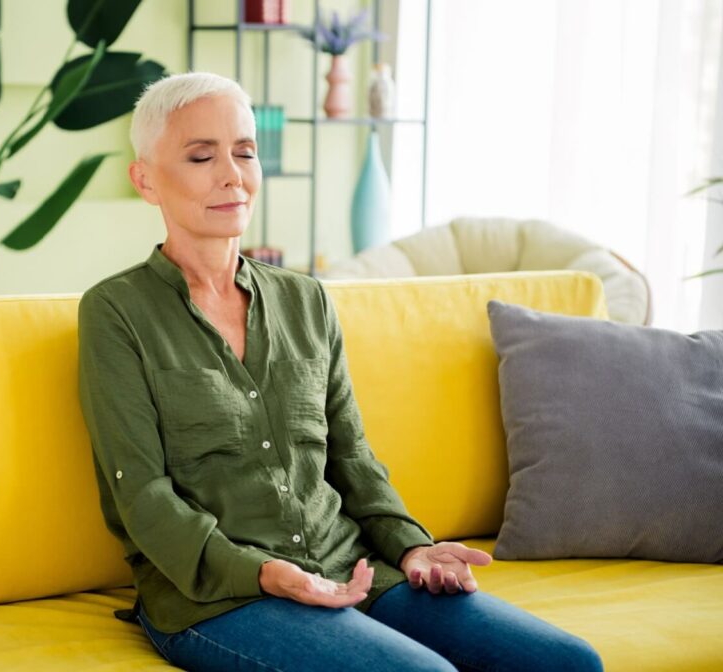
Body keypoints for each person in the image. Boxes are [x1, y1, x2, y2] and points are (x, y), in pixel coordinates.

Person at [76, 72, 603, 672]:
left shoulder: (308, 300)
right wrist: (267, 573)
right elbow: (142, 496)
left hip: (349, 564)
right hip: (219, 596)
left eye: (245, 152)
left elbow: (352, 456)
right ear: (145, 179)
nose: (232, 174)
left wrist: (411, 546)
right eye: (201, 155)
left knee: (568, 662)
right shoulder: (116, 313)